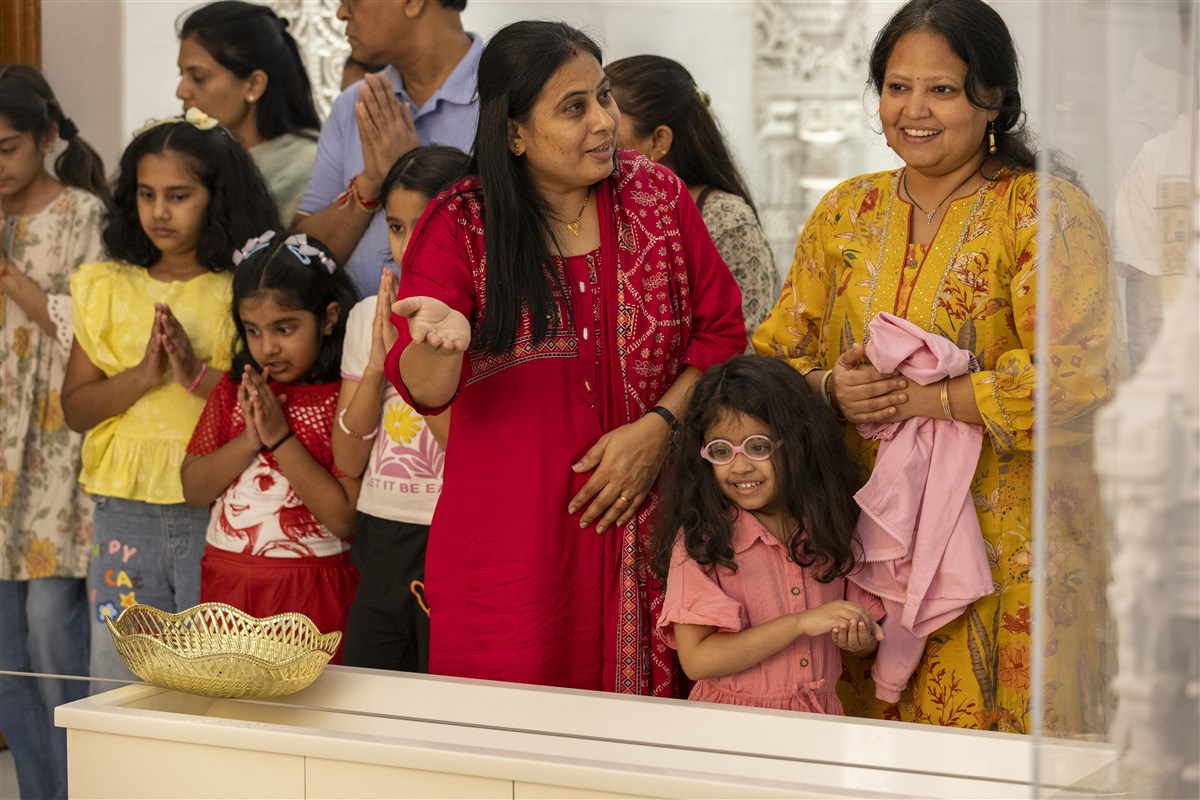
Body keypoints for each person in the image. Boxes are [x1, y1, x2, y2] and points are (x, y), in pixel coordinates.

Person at [753, 0, 1121, 735]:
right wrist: (831, 387)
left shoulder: (1042, 212)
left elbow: (1081, 377)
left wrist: (929, 399)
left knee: (993, 755)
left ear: (993, 99)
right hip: (861, 542)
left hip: (1005, 552)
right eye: (897, 87)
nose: (914, 110)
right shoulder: (845, 213)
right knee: (869, 752)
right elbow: (771, 363)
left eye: (942, 90)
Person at [384, 21, 746, 696]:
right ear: (515, 132)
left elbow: (721, 332)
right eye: (574, 107)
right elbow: (425, 389)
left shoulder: (659, 200)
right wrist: (438, 343)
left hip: (654, 535)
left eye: (603, 96)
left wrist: (659, 428)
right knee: (508, 738)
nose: (604, 121)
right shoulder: (461, 224)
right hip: (511, 559)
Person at [62, 112, 279, 684]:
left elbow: (268, 409)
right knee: (121, 676)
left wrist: (194, 375)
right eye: (147, 194)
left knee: (215, 671)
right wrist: (143, 375)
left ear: (217, 197)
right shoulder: (107, 287)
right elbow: (76, 409)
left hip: (220, 504)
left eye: (179, 196)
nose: (159, 211)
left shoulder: (245, 289)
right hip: (123, 507)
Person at [651, 355, 884, 713]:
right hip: (731, 726)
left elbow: (866, 638)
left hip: (818, 723)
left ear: (798, 443)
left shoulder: (829, 526)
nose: (740, 466)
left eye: (758, 447)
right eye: (721, 451)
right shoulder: (703, 540)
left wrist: (858, 638)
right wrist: (801, 623)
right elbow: (697, 659)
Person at [0, 63, 109, 800]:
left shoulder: (84, 215)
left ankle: (81, 786)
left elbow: (86, 329)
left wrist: (9, 274)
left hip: (54, 443)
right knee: (6, 651)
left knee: (49, 628)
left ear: (45, 138)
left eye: (7, 147)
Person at [181, 231, 359, 662]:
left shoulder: (342, 398)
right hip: (227, 585)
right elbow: (192, 488)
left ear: (328, 318)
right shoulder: (234, 391)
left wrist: (279, 437)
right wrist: (249, 440)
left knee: (310, 701)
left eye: (285, 328)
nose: (267, 347)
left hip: (311, 591)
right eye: (253, 331)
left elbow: (343, 518)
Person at [334, 145, 469, 672]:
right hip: (381, 530)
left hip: (449, 529)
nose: (407, 244)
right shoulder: (368, 315)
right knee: (370, 689)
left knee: (442, 692)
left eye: (426, 225)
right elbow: (348, 457)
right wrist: (377, 365)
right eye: (395, 226)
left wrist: (409, 367)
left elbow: (468, 452)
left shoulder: (475, 324)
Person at [294, 0, 482, 297]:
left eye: (352, 1)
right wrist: (370, 184)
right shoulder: (355, 104)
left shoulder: (509, 98)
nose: (340, 13)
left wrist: (409, 171)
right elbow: (301, 259)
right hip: (358, 325)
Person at [606, 56, 779, 341]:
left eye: (611, 125)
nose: (596, 132)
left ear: (659, 140)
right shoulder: (596, 208)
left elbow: (747, 344)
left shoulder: (725, 220)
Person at [176, 1, 322, 222]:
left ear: (254, 85)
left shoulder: (308, 166)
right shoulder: (185, 156)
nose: (181, 92)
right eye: (182, 75)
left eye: (198, 78)